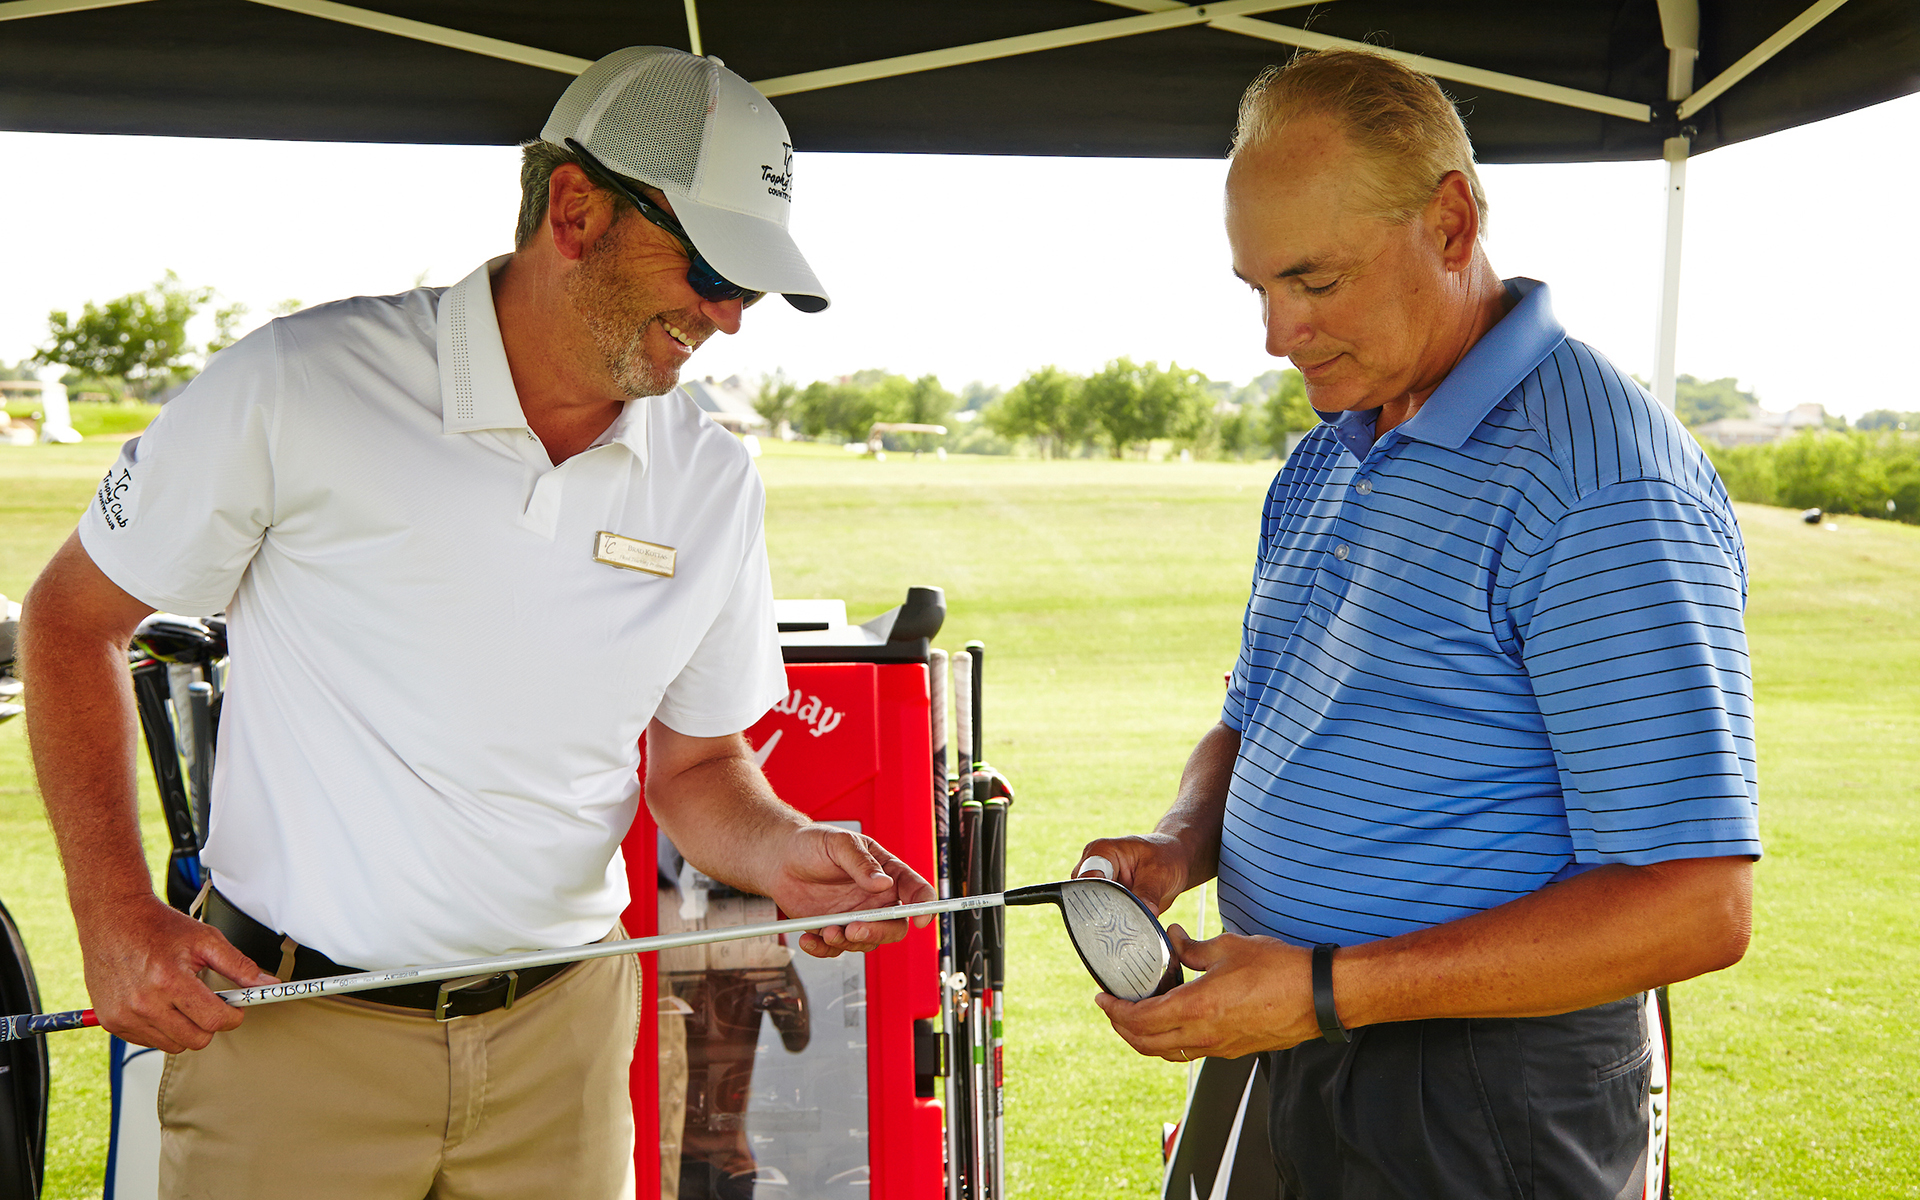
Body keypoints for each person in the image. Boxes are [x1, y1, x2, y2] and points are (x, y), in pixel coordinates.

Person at [20, 46, 932, 1199]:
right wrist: (111, 909)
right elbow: (71, 619)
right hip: (293, 1036)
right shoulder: (299, 384)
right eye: (710, 268)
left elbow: (699, 767)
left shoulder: (710, 478)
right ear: (576, 209)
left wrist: (782, 849)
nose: (728, 318)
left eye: (751, 288)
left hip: (563, 1047)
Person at [1078, 49, 1759, 1198]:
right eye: (1257, 287)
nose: (1277, 333)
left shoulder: (1599, 480)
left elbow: (1695, 906)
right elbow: (1257, 718)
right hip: (1299, 1030)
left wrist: (1325, 988)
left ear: (1450, 224)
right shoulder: (1327, 455)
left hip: (1484, 1090)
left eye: (1314, 280)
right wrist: (1181, 841)